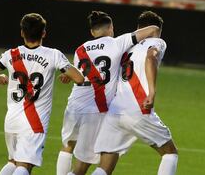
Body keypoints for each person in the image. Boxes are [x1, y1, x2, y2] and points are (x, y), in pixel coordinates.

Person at [56, 11, 161, 175]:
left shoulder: (79, 50)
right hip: (95, 109)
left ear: (92, 32)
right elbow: (152, 29)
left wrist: (66, 76)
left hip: (74, 105)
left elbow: (81, 73)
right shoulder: (117, 43)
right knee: (84, 165)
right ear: (111, 27)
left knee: (68, 146)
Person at [0, 13, 84, 175]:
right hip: (33, 121)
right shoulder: (53, 55)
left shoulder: (11, 54)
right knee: (24, 166)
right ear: (43, 33)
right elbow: (79, 78)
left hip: (12, 119)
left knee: (13, 162)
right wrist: (67, 75)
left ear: (22, 33)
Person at [91, 11, 178, 175]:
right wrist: (152, 92)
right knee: (169, 153)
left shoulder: (127, 46)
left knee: (104, 167)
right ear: (157, 29)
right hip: (138, 107)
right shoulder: (157, 41)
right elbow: (151, 58)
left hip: (115, 111)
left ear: (138, 28)